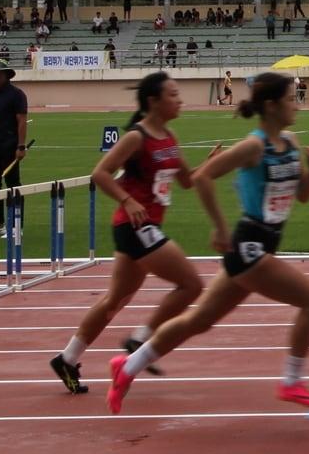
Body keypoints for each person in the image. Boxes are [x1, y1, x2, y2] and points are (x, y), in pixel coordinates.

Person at [106, 72, 309, 413]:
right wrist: (220, 228)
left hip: (265, 243)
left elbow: (302, 196)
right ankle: (291, 381)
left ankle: (129, 365)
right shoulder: (254, 146)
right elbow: (203, 177)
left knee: (199, 321)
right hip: (248, 245)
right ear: (270, 106)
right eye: (291, 98)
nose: (296, 104)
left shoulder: (292, 143)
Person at [49, 73, 212, 395]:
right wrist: (128, 199)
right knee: (191, 284)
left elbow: (186, 182)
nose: (180, 100)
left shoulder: (169, 135)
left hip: (145, 227)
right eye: (173, 94)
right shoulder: (137, 138)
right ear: (153, 101)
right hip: (135, 225)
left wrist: (207, 166)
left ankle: (67, 358)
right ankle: (141, 338)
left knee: (115, 301)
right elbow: (100, 173)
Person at [0, 60, 27, 238]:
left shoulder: (16, 94)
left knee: (13, 184)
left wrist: (21, 146)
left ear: (7, 75)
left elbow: (22, 121)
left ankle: (16, 226)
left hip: (9, 146)